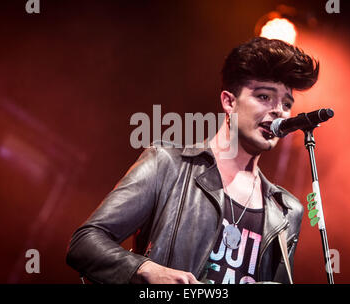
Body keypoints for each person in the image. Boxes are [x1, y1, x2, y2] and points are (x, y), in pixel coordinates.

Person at [66, 37, 319, 284]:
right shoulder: (167, 165)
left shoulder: (286, 210)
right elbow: (85, 243)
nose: (279, 110)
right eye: (264, 97)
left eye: (286, 103)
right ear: (229, 102)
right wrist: (145, 269)